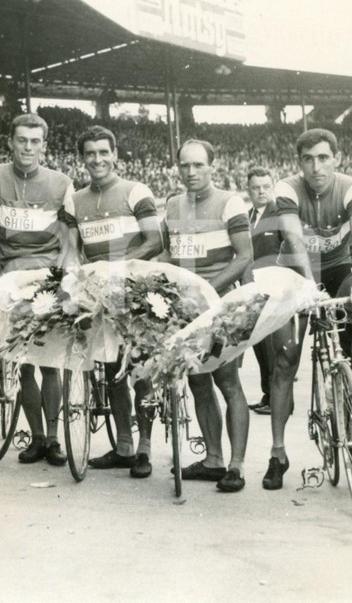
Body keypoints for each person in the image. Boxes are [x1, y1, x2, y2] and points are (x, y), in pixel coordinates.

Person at [264, 128, 352, 490]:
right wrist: (308, 288)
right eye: (308, 159)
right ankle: (278, 453)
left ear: (337, 158)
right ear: (299, 163)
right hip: (295, 271)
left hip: (338, 268)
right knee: (285, 360)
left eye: (323, 158)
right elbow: (293, 238)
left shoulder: (351, 187)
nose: (316, 166)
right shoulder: (286, 187)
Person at [0, 112, 79, 466]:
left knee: (51, 364)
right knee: (25, 364)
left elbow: (69, 240)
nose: (27, 148)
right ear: (10, 142)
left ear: (44, 146)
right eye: (21, 141)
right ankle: (37, 438)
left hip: (47, 280)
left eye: (35, 142)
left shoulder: (62, 183)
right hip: (9, 278)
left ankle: (56, 439)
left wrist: (60, 279)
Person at [161, 139, 253, 493]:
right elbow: (171, 253)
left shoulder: (230, 202)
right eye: (184, 165)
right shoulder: (172, 205)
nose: (191, 172)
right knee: (198, 381)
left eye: (198, 165)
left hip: (222, 303)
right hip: (186, 307)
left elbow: (243, 256)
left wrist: (208, 291)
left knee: (227, 381)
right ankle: (213, 459)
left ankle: (237, 465)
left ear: (212, 166)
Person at [71, 126, 162, 479]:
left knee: (138, 372)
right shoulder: (75, 199)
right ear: (83, 158)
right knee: (111, 371)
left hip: (135, 289)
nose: (97, 159)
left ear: (115, 155)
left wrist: (118, 269)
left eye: (103, 152)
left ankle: (145, 448)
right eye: (90, 153)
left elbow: (153, 240)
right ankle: (123, 446)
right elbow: (73, 248)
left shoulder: (135, 190)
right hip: (99, 295)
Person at [244, 166, 281, 415]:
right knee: (259, 345)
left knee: (273, 346)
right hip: (252, 288)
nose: (261, 191)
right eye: (256, 187)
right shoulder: (247, 216)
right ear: (249, 190)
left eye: (266, 186)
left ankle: (278, 400)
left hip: (275, 288)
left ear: (273, 187)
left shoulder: (280, 214)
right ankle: (268, 394)